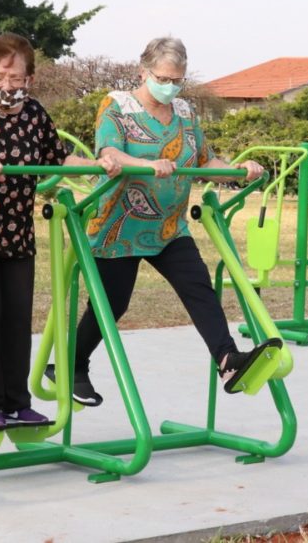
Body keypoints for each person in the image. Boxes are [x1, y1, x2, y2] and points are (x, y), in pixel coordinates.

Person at [52, 36, 276, 406]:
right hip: (119, 227)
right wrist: (148, 164)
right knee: (110, 306)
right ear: (144, 71)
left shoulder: (186, 113)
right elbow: (109, 154)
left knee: (198, 287)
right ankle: (71, 366)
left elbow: (205, 161)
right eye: (163, 78)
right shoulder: (117, 106)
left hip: (169, 227)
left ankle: (228, 360)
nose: (170, 87)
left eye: (178, 80)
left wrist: (240, 170)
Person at [0, 32, 121, 432]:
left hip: (16, 227)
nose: (7, 85)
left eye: (15, 78)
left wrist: (96, 163)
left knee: (17, 316)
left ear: (29, 79)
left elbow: (56, 156)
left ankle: (18, 402)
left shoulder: (33, 113)